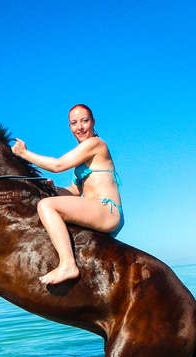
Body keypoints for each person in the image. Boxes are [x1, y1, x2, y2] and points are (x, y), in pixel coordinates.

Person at [11, 104, 124, 284]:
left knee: (46, 206)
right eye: (74, 123)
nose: (79, 127)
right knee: (49, 200)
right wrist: (54, 190)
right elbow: (74, 192)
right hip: (96, 209)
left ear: (93, 122)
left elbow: (58, 165)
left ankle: (68, 265)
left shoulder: (96, 144)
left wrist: (24, 153)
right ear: (70, 127)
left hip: (107, 210)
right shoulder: (83, 162)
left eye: (84, 121)